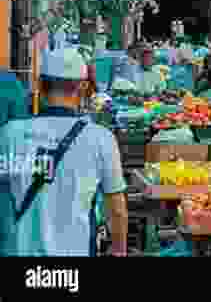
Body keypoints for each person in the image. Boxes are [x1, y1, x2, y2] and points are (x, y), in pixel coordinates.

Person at [0, 46, 128, 256]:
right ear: (83, 87)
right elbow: (117, 209)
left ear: (40, 85)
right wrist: (119, 251)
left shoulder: (8, 135)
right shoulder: (100, 139)